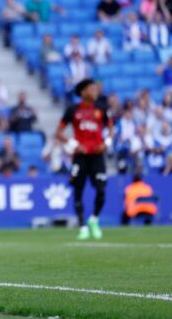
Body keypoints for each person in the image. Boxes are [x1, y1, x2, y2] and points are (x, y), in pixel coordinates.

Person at [55, 79, 113, 240]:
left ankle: (94, 219)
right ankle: (82, 226)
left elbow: (111, 129)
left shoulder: (102, 109)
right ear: (83, 92)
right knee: (78, 190)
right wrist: (74, 144)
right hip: (80, 156)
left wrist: (106, 143)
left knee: (101, 190)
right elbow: (59, 132)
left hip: (97, 155)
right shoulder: (73, 110)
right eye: (92, 88)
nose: (95, 91)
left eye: (96, 88)